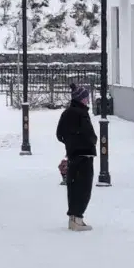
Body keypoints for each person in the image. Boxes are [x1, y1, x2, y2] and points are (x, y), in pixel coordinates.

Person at [56, 83, 97, 231]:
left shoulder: (66, 113)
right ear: (81, 99)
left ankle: (73, 219)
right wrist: (90, 141)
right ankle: (77, 219)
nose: (87, 100)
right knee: (84, 187)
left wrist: (70, 142)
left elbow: (59, 134)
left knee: (73, 186)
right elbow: (89, 135)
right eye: (85, 98)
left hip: (73, 154)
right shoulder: (81, 114)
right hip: (84, 155)